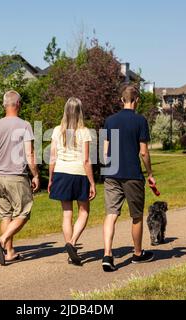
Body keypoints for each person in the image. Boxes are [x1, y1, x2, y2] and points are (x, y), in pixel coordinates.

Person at [101, 85, 156, 272]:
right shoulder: (141, 121)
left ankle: (107, 254)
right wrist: (150, 174)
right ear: (137, 100)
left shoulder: (109, 120)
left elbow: (105, 151)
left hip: (111, 174)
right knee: (137, 216)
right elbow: (144, 152)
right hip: (132, 174)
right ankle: (138, 253)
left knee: (111, 214)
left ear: (121, 100)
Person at [0, 90, 40, 266]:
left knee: (5, 215)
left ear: (3, 105)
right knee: (24, 212)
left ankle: (9, 252)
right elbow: (29, 153)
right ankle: (2, 240)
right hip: (16, 177)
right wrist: (36, 175)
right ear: (19, 104)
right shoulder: (24, 125)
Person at [48, 98, 96, 265]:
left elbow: (52, 157)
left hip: (61, 173)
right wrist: (92, 183)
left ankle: (71, 251)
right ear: (80, 112)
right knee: (84, 211)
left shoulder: (56, 131)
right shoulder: (84, 132)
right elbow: (86, 160)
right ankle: (72, 243)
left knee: (67, 214)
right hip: (79, 174)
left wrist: (51, 178)